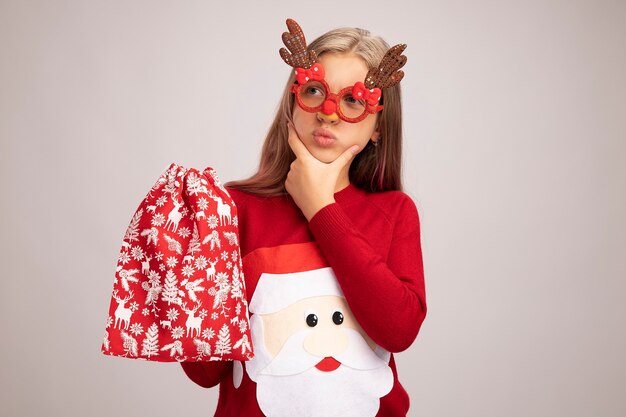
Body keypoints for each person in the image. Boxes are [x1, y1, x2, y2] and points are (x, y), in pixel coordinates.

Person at [180, 18, 427, 417]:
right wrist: (194, 274)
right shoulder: (233, 208)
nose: (328, 114)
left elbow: (398, 330)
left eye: (353, 101)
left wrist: (319, 207)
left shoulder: (395, 212)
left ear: (379, 126)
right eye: (315, 91)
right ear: (294, 102)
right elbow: (204, 372)